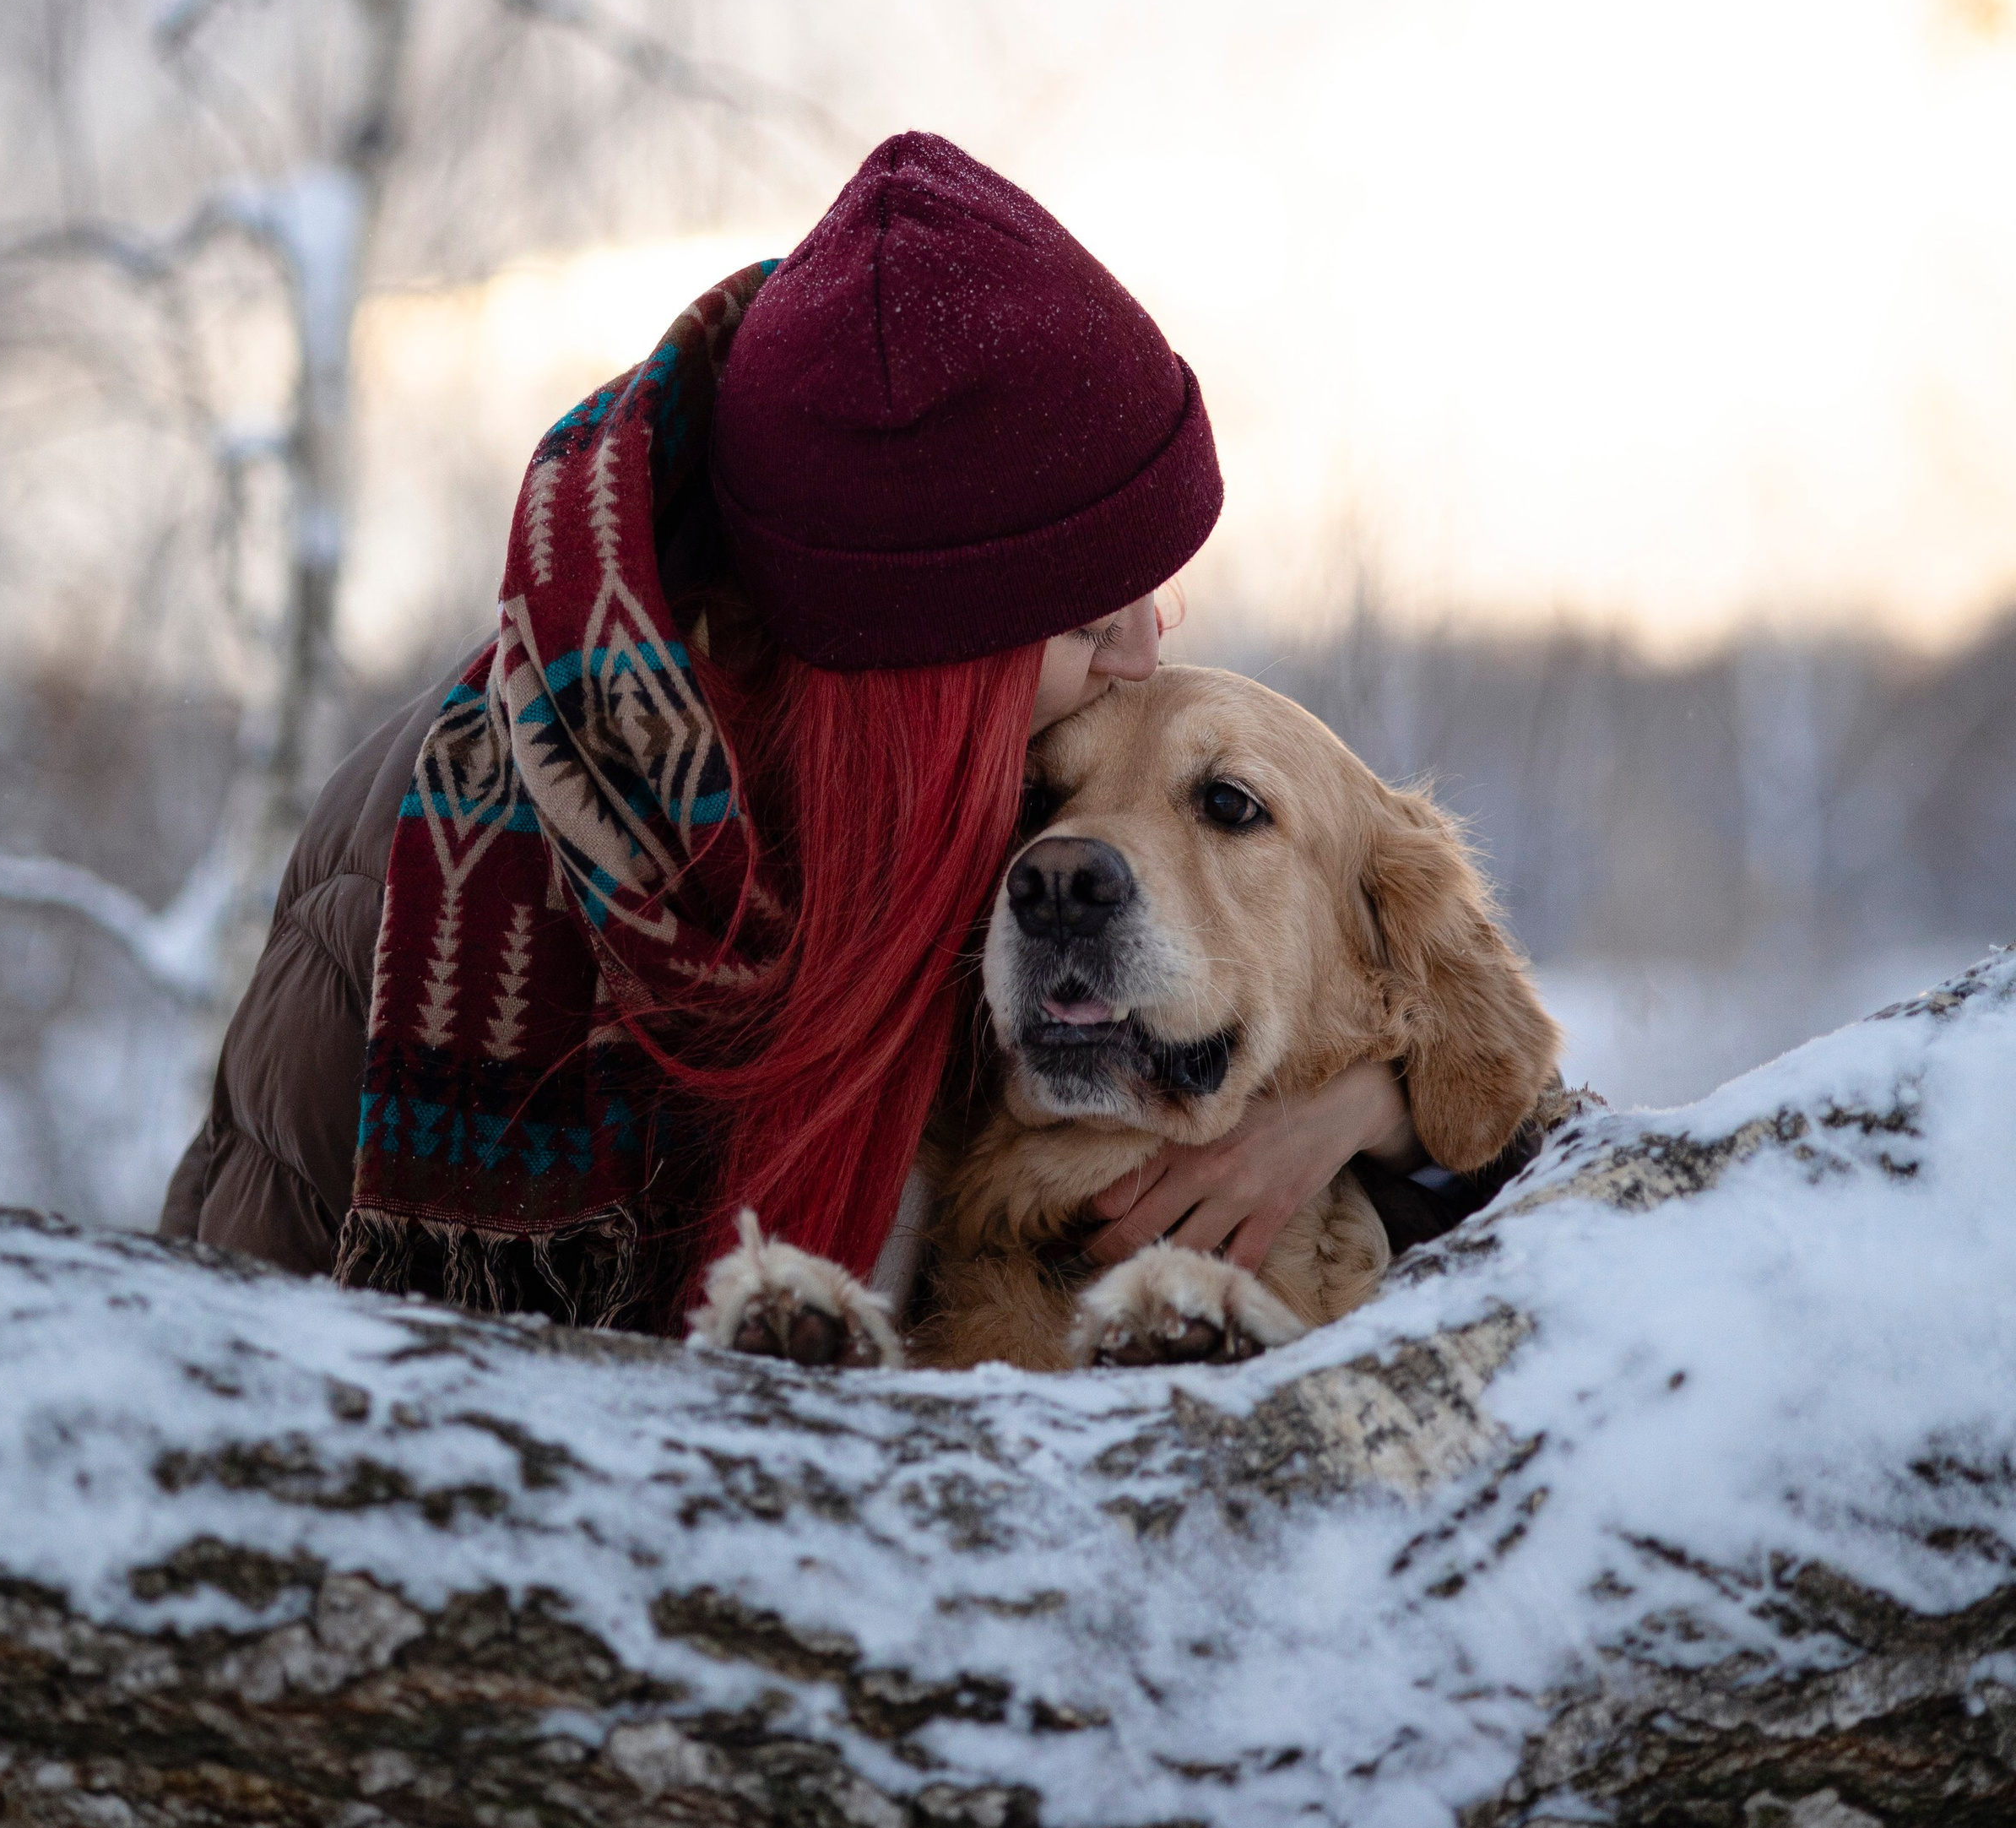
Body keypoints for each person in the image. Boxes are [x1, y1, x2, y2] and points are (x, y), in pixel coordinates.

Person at [162, 131, 1474, 1334]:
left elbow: (1425, 1044)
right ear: (918, 664)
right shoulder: (430, 861)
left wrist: (1363, 1110)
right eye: (1089, 623)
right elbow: (226, 1358)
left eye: (1151, 600)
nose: (1144, 659)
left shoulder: (1006, 811)